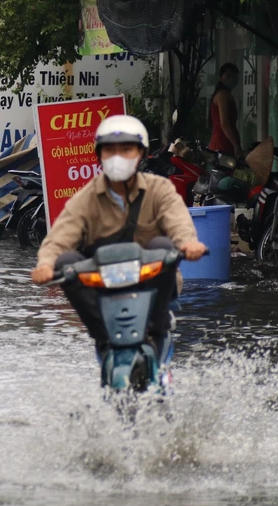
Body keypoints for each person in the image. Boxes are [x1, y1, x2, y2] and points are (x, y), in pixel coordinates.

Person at [30, 115, 206, 356]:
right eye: (110, 150)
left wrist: (188, 244)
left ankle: (156, 330)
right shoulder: (87, 196)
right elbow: (61, 235)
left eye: (126, 150)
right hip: (105, 281)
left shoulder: (159, 189)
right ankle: (103, 335)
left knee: (163, 245)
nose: (118, 157)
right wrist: (45, 265)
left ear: (140, 154)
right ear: (100, 155)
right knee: (66, 261)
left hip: (151, 279)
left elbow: (178, 220)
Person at [209, 63, 242, 158]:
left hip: (227, 142)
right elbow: (224, 124)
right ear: (221, 78)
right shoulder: (222, 95)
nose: (231, 78)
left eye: (233, 75)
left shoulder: (227, 95)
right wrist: (236, 145)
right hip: (222, 144)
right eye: (227, 75)